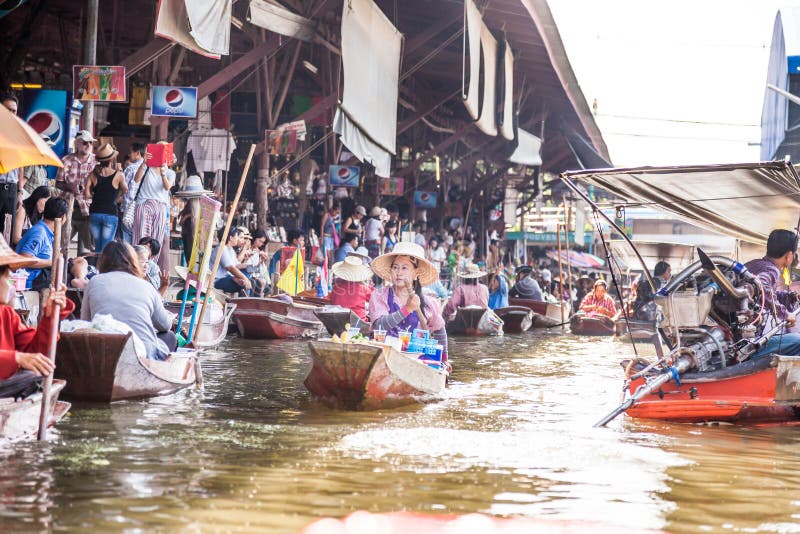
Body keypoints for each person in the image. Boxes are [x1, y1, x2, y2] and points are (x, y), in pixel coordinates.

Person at [0, 234, 73, 399]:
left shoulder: (6, 314)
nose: (10, 281)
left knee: (36, 375)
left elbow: (36, 352)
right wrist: (16, 358)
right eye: (6, 275)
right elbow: (21, 357)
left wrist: (50, 317)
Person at [81, 241, 177, 361]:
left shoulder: (94, 282)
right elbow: (165, 325)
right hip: (142, 355)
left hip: (103, 353)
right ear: (133, 262)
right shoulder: (146, 286)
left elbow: (85, 322)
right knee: (170, 337)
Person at [369, 242, 449, 359]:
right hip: (383, 356)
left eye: (404, 268)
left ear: (416, 273)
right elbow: (380, 326)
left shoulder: (428, 303)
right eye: (395, 267)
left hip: (415, 359)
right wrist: (407, 309)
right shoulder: (379, 296)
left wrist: (444, 360)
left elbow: (439, 331)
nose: (398, 272)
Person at [744, 229, 800, 359]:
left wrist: (791, 297)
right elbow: (762, 287)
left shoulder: (754, 264)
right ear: (789, 255)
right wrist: (785, 314)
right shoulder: (771, 270)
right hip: (748, 346)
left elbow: (767, 293)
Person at [132, 143, 175, 270]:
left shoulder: (170, 172)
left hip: (160, 207)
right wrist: (144, 163)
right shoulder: (147, 168)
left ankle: (150, 269)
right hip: (144, 204)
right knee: (141, 238)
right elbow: (136, 179)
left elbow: (167, 187)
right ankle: (136, 267)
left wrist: (163, 173)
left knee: (157, 240)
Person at [56, 130, 96, 255]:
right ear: (77, 144)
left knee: (91, 248)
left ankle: (85, 272)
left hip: (88, 209)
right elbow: (58, 183)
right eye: (85, 143)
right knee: (60, 245)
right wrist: (70, 187)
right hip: (69, 208)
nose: (88, 145)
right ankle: (60, 273)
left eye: (90, 143)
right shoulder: (66, 160)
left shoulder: (96, 161)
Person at [16, 197, 68, 290]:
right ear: (63, 217)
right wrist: (52, 262)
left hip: (39, 274)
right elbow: (25, 259)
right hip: (30, 278)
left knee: (74, 263)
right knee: (66, 274)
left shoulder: (47, 231)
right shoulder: (40, 233)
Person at [86, 143, 127, 253]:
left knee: (97, 246)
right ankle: (103, 269)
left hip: (95, 213)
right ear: (111, 159)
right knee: (106, 247)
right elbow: (126, 190)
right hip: (110, 214)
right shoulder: (119, 175)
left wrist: (96, 195)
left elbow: (87, 195)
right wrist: (116, 197)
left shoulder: (92, 175)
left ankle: (97, 268)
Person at [330, 255, 374, 321]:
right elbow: (375, 297)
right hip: (358, 322)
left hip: (338, 320)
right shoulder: (363, 289)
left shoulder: (336, 287)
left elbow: (332, 301)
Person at [210, 227, 252, 296]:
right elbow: (230, 268)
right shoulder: (221, 248)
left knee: (248, 278)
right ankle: (245, 305)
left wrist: (248, 265)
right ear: (231, 238)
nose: (237, 238)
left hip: (227, 277)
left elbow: (236, 265)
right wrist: (245, 278)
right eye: (236, 236)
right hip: (217, 280)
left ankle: (250, 303)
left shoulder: (230, 249)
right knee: (245, 283)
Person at [0, 94, 20, 236]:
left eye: (14, 111)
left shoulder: (19, 132)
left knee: (8, 229)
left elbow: (21, 162)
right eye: (8, 110)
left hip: (12, 188)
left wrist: (20, 191)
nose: (11, 113)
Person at [120, 142, 146, 243]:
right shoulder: (149, 168)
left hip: (128, 208)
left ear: (137, 153)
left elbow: (123, 188)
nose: (129, 155)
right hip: (141, 209)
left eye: (131, 152)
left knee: (126, 240)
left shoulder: (130, 169)